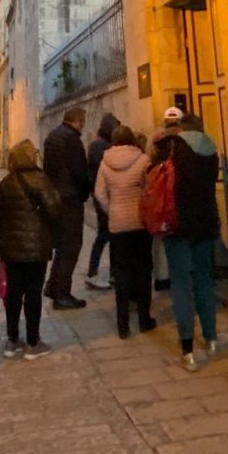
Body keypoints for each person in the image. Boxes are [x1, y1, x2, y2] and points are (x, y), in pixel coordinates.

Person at [158, 112, 221, 372]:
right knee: (205, 280)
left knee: (182, 284)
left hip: (179, 224)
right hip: (206, 223)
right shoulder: (212, 150)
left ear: (182, 129)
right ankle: (212, 337)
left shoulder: (174, 150)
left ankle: (187, 348)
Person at [0, 139, 61, 360]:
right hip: (37, 248)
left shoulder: (6, 183)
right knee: (33, 293)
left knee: (13, 294)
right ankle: (33, 342)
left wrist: (3, 248)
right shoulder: (41, 179)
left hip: (12, 248)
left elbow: (1, 218)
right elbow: (54, 210)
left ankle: (12, 340)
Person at [93, 126, 156, 339]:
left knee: (121, 273)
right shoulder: (143, 159)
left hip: (117, 223)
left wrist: (112, 210)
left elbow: (99, 193)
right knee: (144, 269)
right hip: (139, 222)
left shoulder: (105, 163)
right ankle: (144, 319)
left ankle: (122, 325)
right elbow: (150, 189)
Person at [42, 107, 90, 309]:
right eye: (83, 121)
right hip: (70, 198)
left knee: (62, 245)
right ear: (78, 120)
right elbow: (79, 171)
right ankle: (61, 293)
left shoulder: (52, 136)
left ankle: (53, 286)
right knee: (71, 246)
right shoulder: (72, 139)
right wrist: (84, 192)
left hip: (56, 196)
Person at [85, 113, 121, 290]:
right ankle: (93, 271)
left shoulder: (99, 144)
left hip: (104, 196)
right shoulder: (100, 145)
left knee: (109, 236)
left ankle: (110, 272)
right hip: (104, 197)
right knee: (104, 235)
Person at [150, 107, 184, 291]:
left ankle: (162, 277)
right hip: (180, 193)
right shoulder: (186, 139)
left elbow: (150, 165)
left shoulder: (156, 140)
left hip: (161, 192)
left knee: (161, 238)